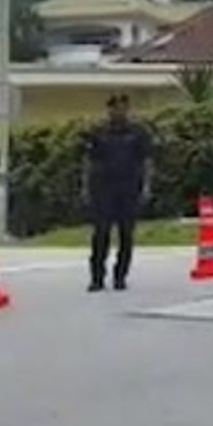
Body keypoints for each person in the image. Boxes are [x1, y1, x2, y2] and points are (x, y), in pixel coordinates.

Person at [84, 93, 153, 292]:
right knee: (101, 234)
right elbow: (88, 161)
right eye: (114, 108)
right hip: (103, 188)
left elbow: (147, 161)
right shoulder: (98, 132)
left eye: (122, 108)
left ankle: (120, 276)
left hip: (129, 188)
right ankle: (97, 277)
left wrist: (146, 187)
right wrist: (86, 187)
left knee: (126, 235)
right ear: (109, 110)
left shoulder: (138, 133)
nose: (118, 112)